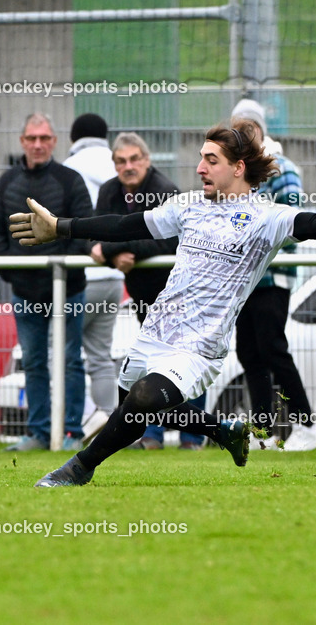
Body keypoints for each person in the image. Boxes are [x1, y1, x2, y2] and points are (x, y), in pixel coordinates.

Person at [9, 120, 316, 487]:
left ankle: (77, 469)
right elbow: (124, 225)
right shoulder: (188, 206)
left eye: (211, 160)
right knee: (134, 410)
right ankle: (224, 432)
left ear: (238, 168)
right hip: (156, 330)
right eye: (201, 159)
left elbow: (312, 223)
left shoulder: (266, 216)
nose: (200, 168)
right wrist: (61, 227)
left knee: (146, 400)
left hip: (200, 344)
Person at [0, 113, 93, 452]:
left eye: (44, 138)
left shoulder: (70, 180)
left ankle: (72, 432)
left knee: (70, 360)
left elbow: (85, 230)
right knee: (33, 361)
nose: (37, 144)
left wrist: (64, 272)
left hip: (68, 290)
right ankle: (39, 432)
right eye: (32, 138)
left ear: (54, 141)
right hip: (24, 293)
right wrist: (12, 273)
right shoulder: (6, 183)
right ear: (22, 142)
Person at [96, 132, 206, 451]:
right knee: (150, 365)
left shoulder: (165, 190)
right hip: (144, 294)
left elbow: (169, 241)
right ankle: (151, 436)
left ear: (146, 160)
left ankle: (193, 438)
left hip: (179, 293)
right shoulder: (108, 192)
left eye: (134, 159)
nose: (128, 166)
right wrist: (115, 255)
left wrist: (122, 250)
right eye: (121, 161)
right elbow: (99, 235)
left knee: (187, 363)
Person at [231, 100, 316, 451]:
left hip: (273, 276)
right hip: (245, 280)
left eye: (248, 127)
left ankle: (307, 424)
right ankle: (264, 433)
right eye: (238, 128)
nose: (244, 133)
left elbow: (293, 220)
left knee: (272, 349)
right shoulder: (238, 173)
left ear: (260, 129)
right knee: (249, 353)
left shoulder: (282, 168)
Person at [62, 113, 121, 439]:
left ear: (74, 138)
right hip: (115, 276)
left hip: (83, 276)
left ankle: (81, 420)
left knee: (60, 352)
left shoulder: (70, 168)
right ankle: (110, 425)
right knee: (101, 356)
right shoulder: (116, 164)